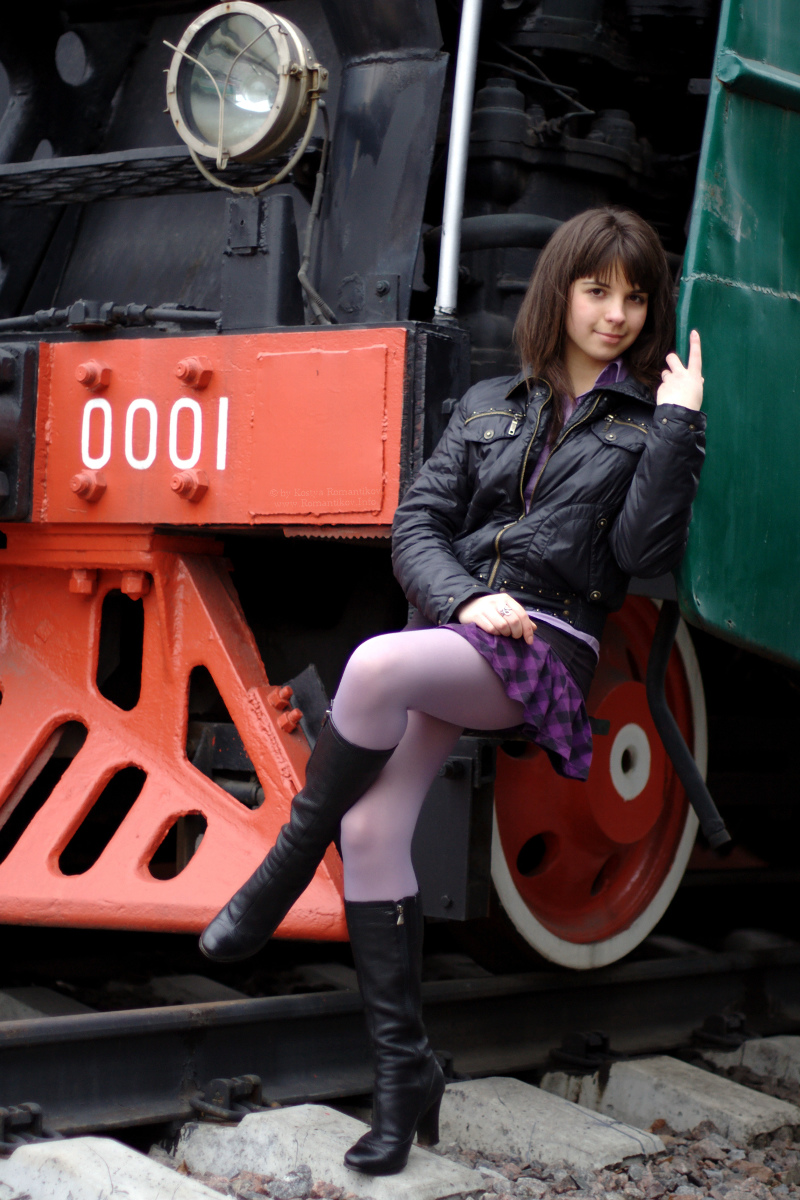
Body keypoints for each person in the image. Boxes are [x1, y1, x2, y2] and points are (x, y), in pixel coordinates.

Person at [199, 207, 706, 1176]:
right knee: (373, 831)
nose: (615, 314)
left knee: (374, 667)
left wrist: (679, 423)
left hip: (545, 648)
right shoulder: (482, 404)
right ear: (558, 291)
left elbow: (641, 554)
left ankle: (275, 872)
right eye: (596, 290)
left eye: (634, 297)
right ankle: (403, 1083)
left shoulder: (649, 428)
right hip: (459, 624)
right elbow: (414, 530)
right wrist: (466, 599)